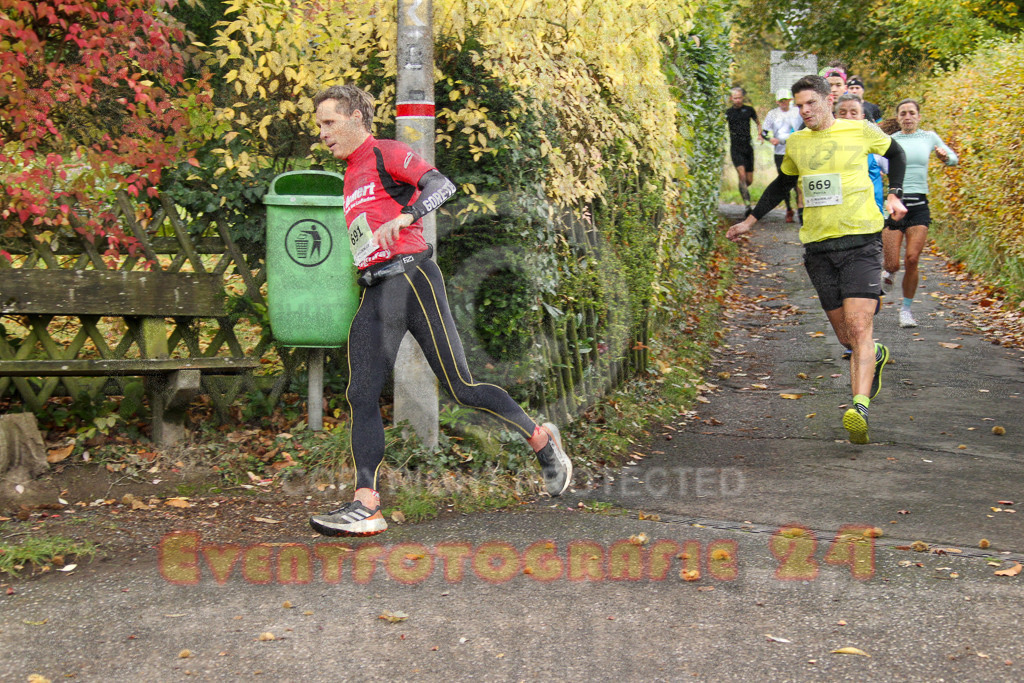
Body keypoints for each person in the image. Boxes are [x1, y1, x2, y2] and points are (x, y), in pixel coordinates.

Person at [307, 85, 571, 537]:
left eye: (329, 123)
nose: (323, 134)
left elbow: (440, 185)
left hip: (412, 277)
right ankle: (366, 503)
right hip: (376, 289)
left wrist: (406, 217)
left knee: (461, 386)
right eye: (319, 127)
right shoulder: (349, 173)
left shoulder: (385, 152)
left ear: (355, 117)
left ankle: (541, 440)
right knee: (360, 394)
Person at [726, 75, 908, 445]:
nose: (804, 110)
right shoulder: (796, 142)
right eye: (799, 105)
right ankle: (875, 354)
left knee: (859, 328)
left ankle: (858, 407)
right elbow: (781, 184)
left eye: (810, 103)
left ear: (827, 100)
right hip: (819, 248)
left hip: (861, 241)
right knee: (847, 337)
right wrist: (750, 220)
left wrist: (895, 195)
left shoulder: (858, 131)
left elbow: (896, 154)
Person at [882, 98, 959, 328]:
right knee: (893, 263)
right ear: (897, 118)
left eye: (911, 113)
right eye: (903, 113)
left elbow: (953, 158)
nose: (907, 117)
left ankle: (906, 310)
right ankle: (889, 272)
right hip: (896, 205)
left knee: (913, 259)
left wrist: (946, 158)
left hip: (919, 205)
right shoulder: (890, 140)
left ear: (918, 116)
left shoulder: (929, 137)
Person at [835, 93, 885, 215]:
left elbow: (897, 163)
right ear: (835, 116)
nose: (848, 117)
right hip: (838, 217)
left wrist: (895, 193)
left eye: (853, 113)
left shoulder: (876, 143)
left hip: (870, 217)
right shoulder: (826, 146)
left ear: (862, 117)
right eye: (842, 113)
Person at [761, 88, 803, 222]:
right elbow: (764, 132)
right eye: (781, 101)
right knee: (784, 183)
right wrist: (770, 139)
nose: (784, 103)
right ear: (777, 102)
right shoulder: (772, 114)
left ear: (790, 100)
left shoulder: (797, 112)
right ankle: (788, 209)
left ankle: (801, 210)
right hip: (780, 152)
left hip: (797, 151)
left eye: (786, 100)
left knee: (798, 183)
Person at [726, 86, 760, 216]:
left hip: (748, 148)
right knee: (741, 175)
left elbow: (758, 122)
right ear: (731, 99)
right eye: (735, 98)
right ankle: (747, 205)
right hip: (736, 148)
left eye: (739, 97)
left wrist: (760, 134)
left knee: (749, 180)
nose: (738, 100)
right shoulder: (728, 113)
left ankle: (742, 187)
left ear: (742, 97)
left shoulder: (749, 110)